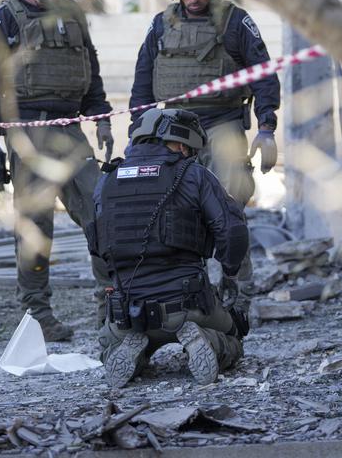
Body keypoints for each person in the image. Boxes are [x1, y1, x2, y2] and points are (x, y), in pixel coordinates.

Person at [0, 0, 113, 341]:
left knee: (101, 215)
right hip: (28, 135)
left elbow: (91, 72)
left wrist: (101, 119)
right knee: (35, 228)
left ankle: (111, 306)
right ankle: (38, 317)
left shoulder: (74, 18)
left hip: (71, 132)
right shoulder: (6, 18)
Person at [128, 0, 280, 310]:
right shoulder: (161, 25)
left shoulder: (235, 21)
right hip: (174, 129)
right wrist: (138, 133)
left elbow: (263, 74)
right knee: (171, 209)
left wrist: (267, 127)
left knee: (230, 201)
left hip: (222, 122)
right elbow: (143, 81)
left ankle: (236, 285)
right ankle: (185, 286)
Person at [88, 108, 250, 387]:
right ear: (179, 143)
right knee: (234, 337)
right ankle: (207, 341)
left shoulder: (106, 180)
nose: (188, 155)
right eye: (188, 149)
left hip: (128, 312)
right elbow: (232, 231)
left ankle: (133, 351)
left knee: (109, 346)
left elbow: (97, 248)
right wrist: (230, 273)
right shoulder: (195, 174)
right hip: (189, 307)